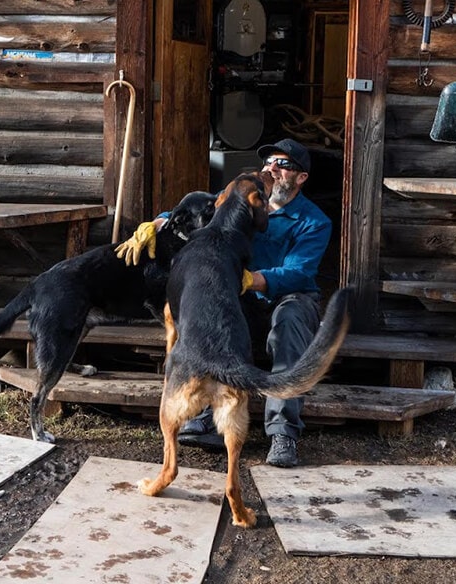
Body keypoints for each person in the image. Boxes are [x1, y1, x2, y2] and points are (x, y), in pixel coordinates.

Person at [117, 138, 333, 468]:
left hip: (289, 296)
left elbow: (299, 272)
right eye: (269, 162)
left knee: (289, 323)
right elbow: (200, 210)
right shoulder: (242, 197)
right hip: (243, 294)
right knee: (214, 315)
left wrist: (251, 279)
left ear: (301, 177)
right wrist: (155, 224)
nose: (272, 169)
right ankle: (208, 414)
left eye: (283, 164)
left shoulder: (315, 221)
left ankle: (283, 433)